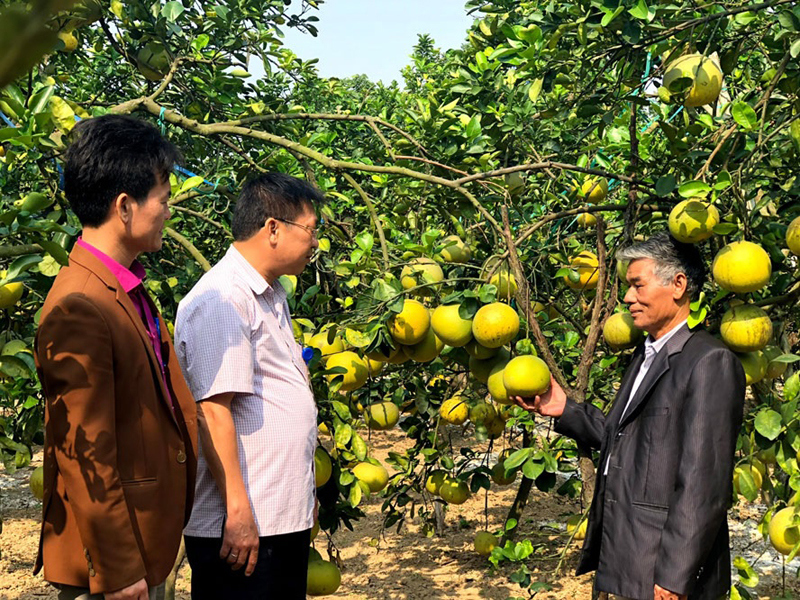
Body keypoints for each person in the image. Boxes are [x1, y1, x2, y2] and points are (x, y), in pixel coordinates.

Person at [514, 232, 746, 600]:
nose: (627, 297)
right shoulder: (645, 356)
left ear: (678, 285)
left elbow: (704, 485)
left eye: (638, 285)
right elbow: (626, 439)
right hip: (635, 557)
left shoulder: (708, 362)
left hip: (666, 570)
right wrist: (565, 410)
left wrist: (675, 576)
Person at [34, 115, 198, 600]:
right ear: (125, 207)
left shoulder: (123, 288)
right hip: (114, 569)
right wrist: (121, 571)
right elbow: (85, 453)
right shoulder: (80, 306)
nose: (169, 212)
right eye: (164, 200)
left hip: (146, 546)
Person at [175, 173, 322, 599]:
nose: (314, 243)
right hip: (243, 528)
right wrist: (237, 512)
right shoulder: (222, 298)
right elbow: (214, 410)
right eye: (310, 230)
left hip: (275, 519)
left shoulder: (270, 294)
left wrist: (300, 492)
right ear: (273, 228)